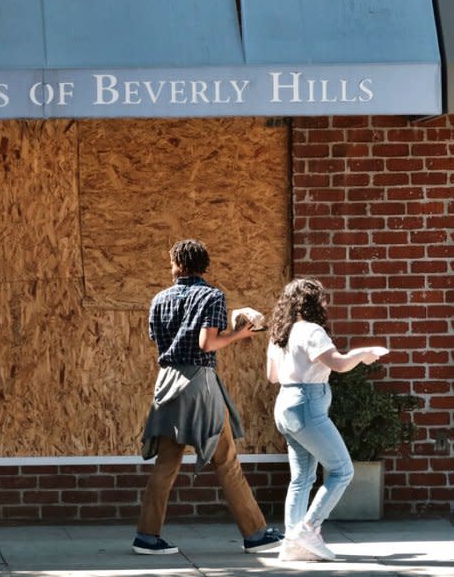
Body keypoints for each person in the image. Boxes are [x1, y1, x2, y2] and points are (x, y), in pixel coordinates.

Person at [133, 239, 283, 556]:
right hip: (199, 383)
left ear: (178, 264)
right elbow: (206, 344)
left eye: (172, 262)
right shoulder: (212, 296)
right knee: (226, 461)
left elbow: (156, 339)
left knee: (167, 463)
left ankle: (147, 537)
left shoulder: (159, 299)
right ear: (203, 265)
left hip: (168, 382)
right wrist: (241, 334)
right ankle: (256, 535)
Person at [266, 278, 386, 561]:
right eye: (322, 299)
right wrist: (364, 354)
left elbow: (272, 376)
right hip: (307, 405)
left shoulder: (279, 333)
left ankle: (292, 544)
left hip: (285, 404)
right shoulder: (312, 331)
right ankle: (308, 529)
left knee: (302, 479)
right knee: (343, 470)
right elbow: (340, 364)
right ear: (311, 303)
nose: (326, 304)